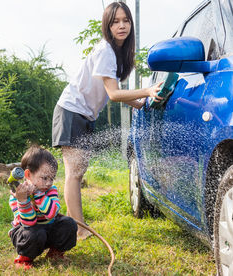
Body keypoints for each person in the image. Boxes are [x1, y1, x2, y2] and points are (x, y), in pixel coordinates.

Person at [52, 2, 163, 240]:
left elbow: (114, 91)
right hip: (71, 111)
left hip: (83, 114)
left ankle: (77, 227)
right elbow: (114, 95)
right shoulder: (105, 50)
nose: (121, 25)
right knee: (74, 173)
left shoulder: (118, 53)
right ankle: (80, 229)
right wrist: (147, 91)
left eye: (126, 20)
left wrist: (142, 102)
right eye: (115, 21)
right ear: (107, 25)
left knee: (78, 173)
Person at [8, 145, 77, 270]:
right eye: (44, 178)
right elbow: (29, 223)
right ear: (28, 174)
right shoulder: (17, 196)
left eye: (52, 178)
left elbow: (52, 213)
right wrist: (23, 201)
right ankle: (24, 258)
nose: (49, 182)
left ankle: (55, 252)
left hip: (47, 228)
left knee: (69, 223)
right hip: (28, 232)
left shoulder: (50, 190)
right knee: (34, 233)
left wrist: (38, 195)